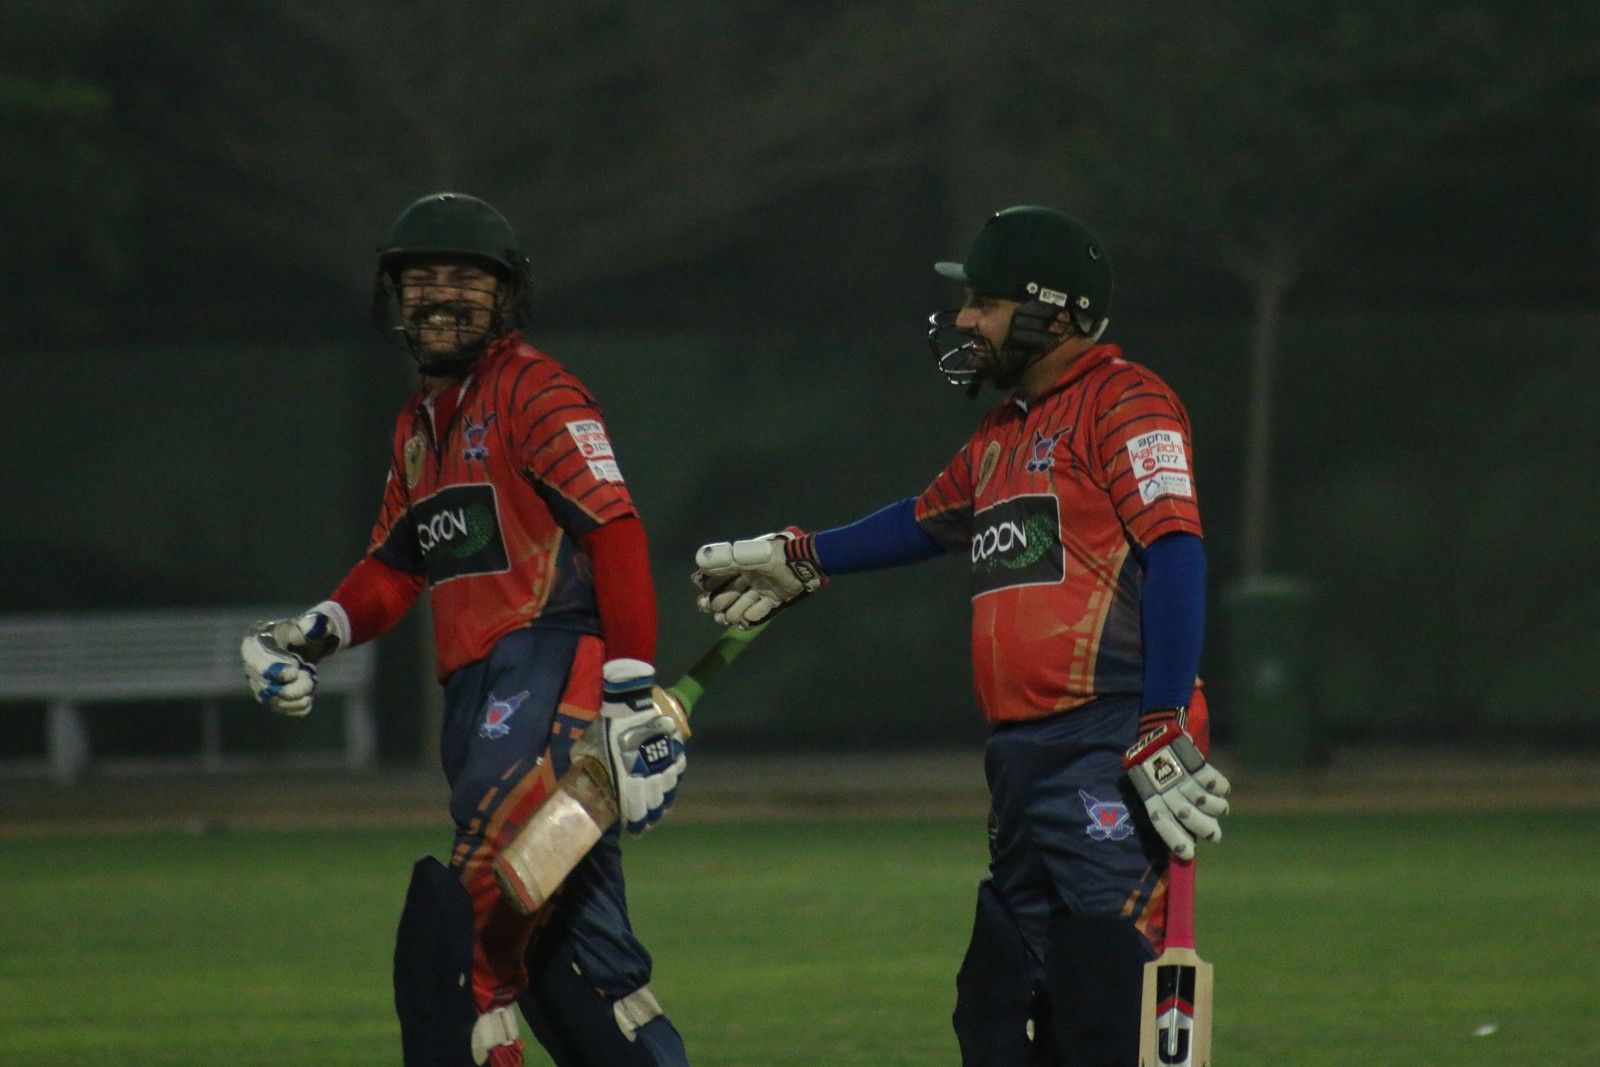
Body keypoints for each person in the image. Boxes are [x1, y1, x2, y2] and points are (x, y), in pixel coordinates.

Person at [692, 205, 1232, 1066]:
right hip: (1019, 757)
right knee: (998, 1004)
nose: (967, 319)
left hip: (1108, 737)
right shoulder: (1003, 432)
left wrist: (1162, 717)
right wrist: (806, 556)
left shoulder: (1126, 401)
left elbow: (1176, 549)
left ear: (1055, 314)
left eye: (986, 302)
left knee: (1103, 996)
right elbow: (924, 518)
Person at [240, 192, 690, 1067]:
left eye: (465, 279)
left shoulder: (537, 391)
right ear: (395, 296)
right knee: (590, 972)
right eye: (421, 279)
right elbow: (395, 566)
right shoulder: (418, 427)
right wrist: (312, 631)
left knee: (468, 944)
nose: (441, 296)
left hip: (547, 670)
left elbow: (615, 530)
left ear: (505, 295)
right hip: (480, 697)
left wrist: (631, 691)